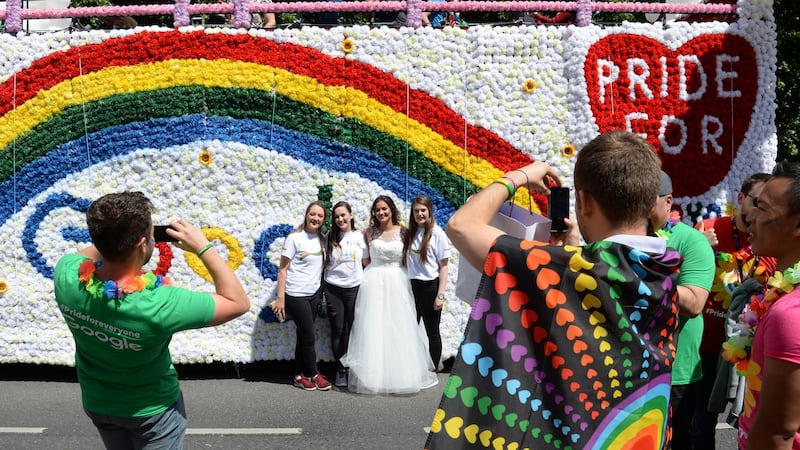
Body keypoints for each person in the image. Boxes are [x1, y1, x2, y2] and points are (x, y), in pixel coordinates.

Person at [426, 131, 683, 449]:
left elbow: (462, 226)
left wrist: (519, 176)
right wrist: (571, 255)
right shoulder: (664, 270)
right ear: (649, 201)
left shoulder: (566, 269)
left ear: (585, 202)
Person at [53, 191, 250, 449]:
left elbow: (94, 250)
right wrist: (202, 246)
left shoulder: (67, 276)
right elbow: (238, 302)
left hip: (98, 403)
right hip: (153, 412)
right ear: (142, 243)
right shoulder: (159, 303)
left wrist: (115, 233)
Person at [691, 173, 775, 450]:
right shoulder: (708, 228)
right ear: (740, 199)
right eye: (758, 202)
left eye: (770, 205)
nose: (762, 211)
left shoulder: (773, 240)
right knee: (700, 424)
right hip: (707, 345)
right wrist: (698, 245)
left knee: (747, 421)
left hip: (750, 350)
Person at [340, 195, 438, 394]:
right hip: (373, 282)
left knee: (398, 326)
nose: (381, 213)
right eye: (377, 210)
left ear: (391, 210)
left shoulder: (404, 232)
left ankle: (400, 375)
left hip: (398, 282)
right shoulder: (368, 233)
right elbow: (363, 258)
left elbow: (410, 258)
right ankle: (374, 375)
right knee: (373, 327)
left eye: (384, 209)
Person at [733, 162, 800, 449]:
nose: (750, 218)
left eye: (761, 208)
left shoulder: (790, 313)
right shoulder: (783, 296)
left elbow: (778, 432)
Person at [650, 171, 715, 450]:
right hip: (625, 366)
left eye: (647, 201)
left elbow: (694, 303)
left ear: (668, 202)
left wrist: (633, 276)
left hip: (674, 373)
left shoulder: (692, 241)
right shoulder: (621, 235)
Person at [270, 201, 332, 391]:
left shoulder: (322, 239)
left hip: (313, 294)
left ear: (323, 220)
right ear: (306, 215)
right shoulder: (294, 238)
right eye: (313, 214)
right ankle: (313, 373)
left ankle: (299, 374)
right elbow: (283, 269)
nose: (316, 218)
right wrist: (281, 298)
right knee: (309, 335)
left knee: (303, 334)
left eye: (320, 216)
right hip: (296, 294)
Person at [402, 195, 450, 372]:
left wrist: (440, 294)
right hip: (412, 287)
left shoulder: (437, 234)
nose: (420, 214)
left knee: (432, 331)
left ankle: (432, 369)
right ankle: (413, 365)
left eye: (423, 210)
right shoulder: (410, 233)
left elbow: (444, 266)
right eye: (416, 211)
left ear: (429, 211)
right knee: (409, 328)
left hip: (430, 287)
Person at [324, 201, 367, 388]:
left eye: (343, 215)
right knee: (338, 329)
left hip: (354, 288)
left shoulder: (361, 236)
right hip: (333, 288)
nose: (340, 219)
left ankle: (354, 368)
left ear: (351, 215)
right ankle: (341, 368)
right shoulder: (329, 238)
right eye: (337, 216)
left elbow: (366, 262)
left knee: (354, 329)